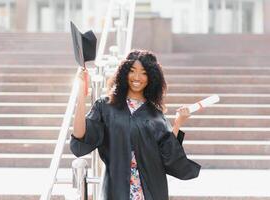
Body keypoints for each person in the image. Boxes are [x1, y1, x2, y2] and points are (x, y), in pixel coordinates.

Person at [70, 49, 201, 200]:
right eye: (132, 71)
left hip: (151, 190)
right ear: (124, 73)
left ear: (151, 77)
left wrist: (178, 123)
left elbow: (169, 156)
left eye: (144, 72)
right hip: (116, 190)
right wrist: (81, 93)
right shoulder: (106, 106)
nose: (137, 77)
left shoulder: (155, 114)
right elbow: (81, 138)